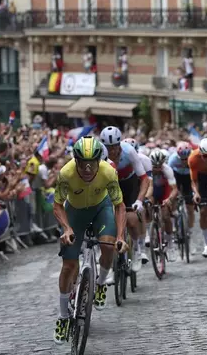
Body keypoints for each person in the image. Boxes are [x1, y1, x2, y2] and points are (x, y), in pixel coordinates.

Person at [53, 136, 126, 344]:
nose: (87, 169)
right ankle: (63, 317)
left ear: (98, 161)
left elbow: (119, 205)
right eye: (82, 164)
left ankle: (101, 283)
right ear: (75, 161)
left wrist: (120, 235)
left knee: (107, 244)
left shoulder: (108, 172)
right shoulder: (66, 173)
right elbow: (57, 204)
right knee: (68, 266)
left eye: (92, 163)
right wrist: (67, 228)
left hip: (100, 209)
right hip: (74, 212)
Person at [100, 127, 150, 271]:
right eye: (109, 147)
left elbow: (144, 179)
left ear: (119, 144)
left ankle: (135, 251)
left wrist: (139, 200)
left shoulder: (129, 151)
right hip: (110, 184)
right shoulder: (100, 153)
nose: (113, 151)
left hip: (129, 183)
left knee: (132, 220)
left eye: (115, 146)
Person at [146, 149, 178, 262]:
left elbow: (174, 189)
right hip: (152, 192)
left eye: (160, 166)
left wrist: (169, 199)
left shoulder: (167, 170)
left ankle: (170, 245)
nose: (158, 169)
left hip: (164, 192)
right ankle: (148, 231)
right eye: (155, 166)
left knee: (165, 216)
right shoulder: (147, 168)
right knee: (147, 204)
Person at [167, 142, 196, 241]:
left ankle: (191, 230)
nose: (184, 161)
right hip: (177, 175)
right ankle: (175, 220)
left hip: (189, 177)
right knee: (174, 196)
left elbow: (196, 178)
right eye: (182, 159)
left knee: (190, 207)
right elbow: (169, 176)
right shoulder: (173, 159)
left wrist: (196, 192)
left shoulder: (194, 157)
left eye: (186, 159)